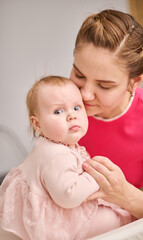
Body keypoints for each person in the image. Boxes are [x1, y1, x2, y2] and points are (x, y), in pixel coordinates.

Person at [0, 76, 132, 240]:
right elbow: (68, 196)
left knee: (113, 210)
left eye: (77, 107)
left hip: (48, 215)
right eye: (58, 111)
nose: (72, 116)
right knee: (118, 218)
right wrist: (96, 176)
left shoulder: (51, 146)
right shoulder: (56, 155)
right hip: (56, 225)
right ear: (37, 124)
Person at [69, 9, 143, 219]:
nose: (85, 94)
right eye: (79, 75)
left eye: (104, 85)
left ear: (134, 82)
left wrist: (124, 196)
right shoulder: (63, 103)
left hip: (142, 195)